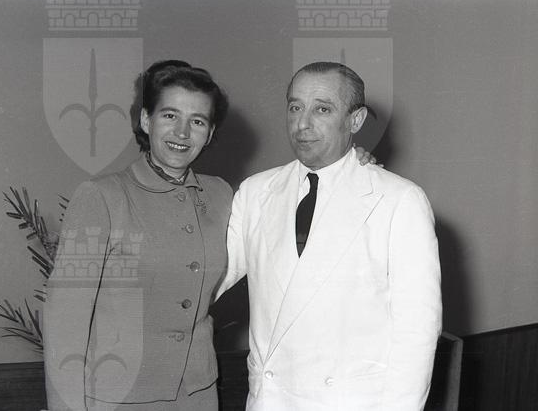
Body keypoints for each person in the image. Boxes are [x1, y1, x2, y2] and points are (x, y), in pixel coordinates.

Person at [43, 60, 376, 411]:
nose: (182, 132)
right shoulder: (100, 197)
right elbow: (64, 321)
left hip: (197, 394)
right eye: (169, 115)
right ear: (145, 120)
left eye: (197, 121)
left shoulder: (220, 194)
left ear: (210, 132)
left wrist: (350, 163)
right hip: (114, 396)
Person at [216, 62, 442, 410]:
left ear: (355, 120)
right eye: (295, 107)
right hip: (271, 400)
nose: (302, 124)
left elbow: (417, 331)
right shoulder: (255, 192)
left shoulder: (399, 200)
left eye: (322, 109)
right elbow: (208, 278)